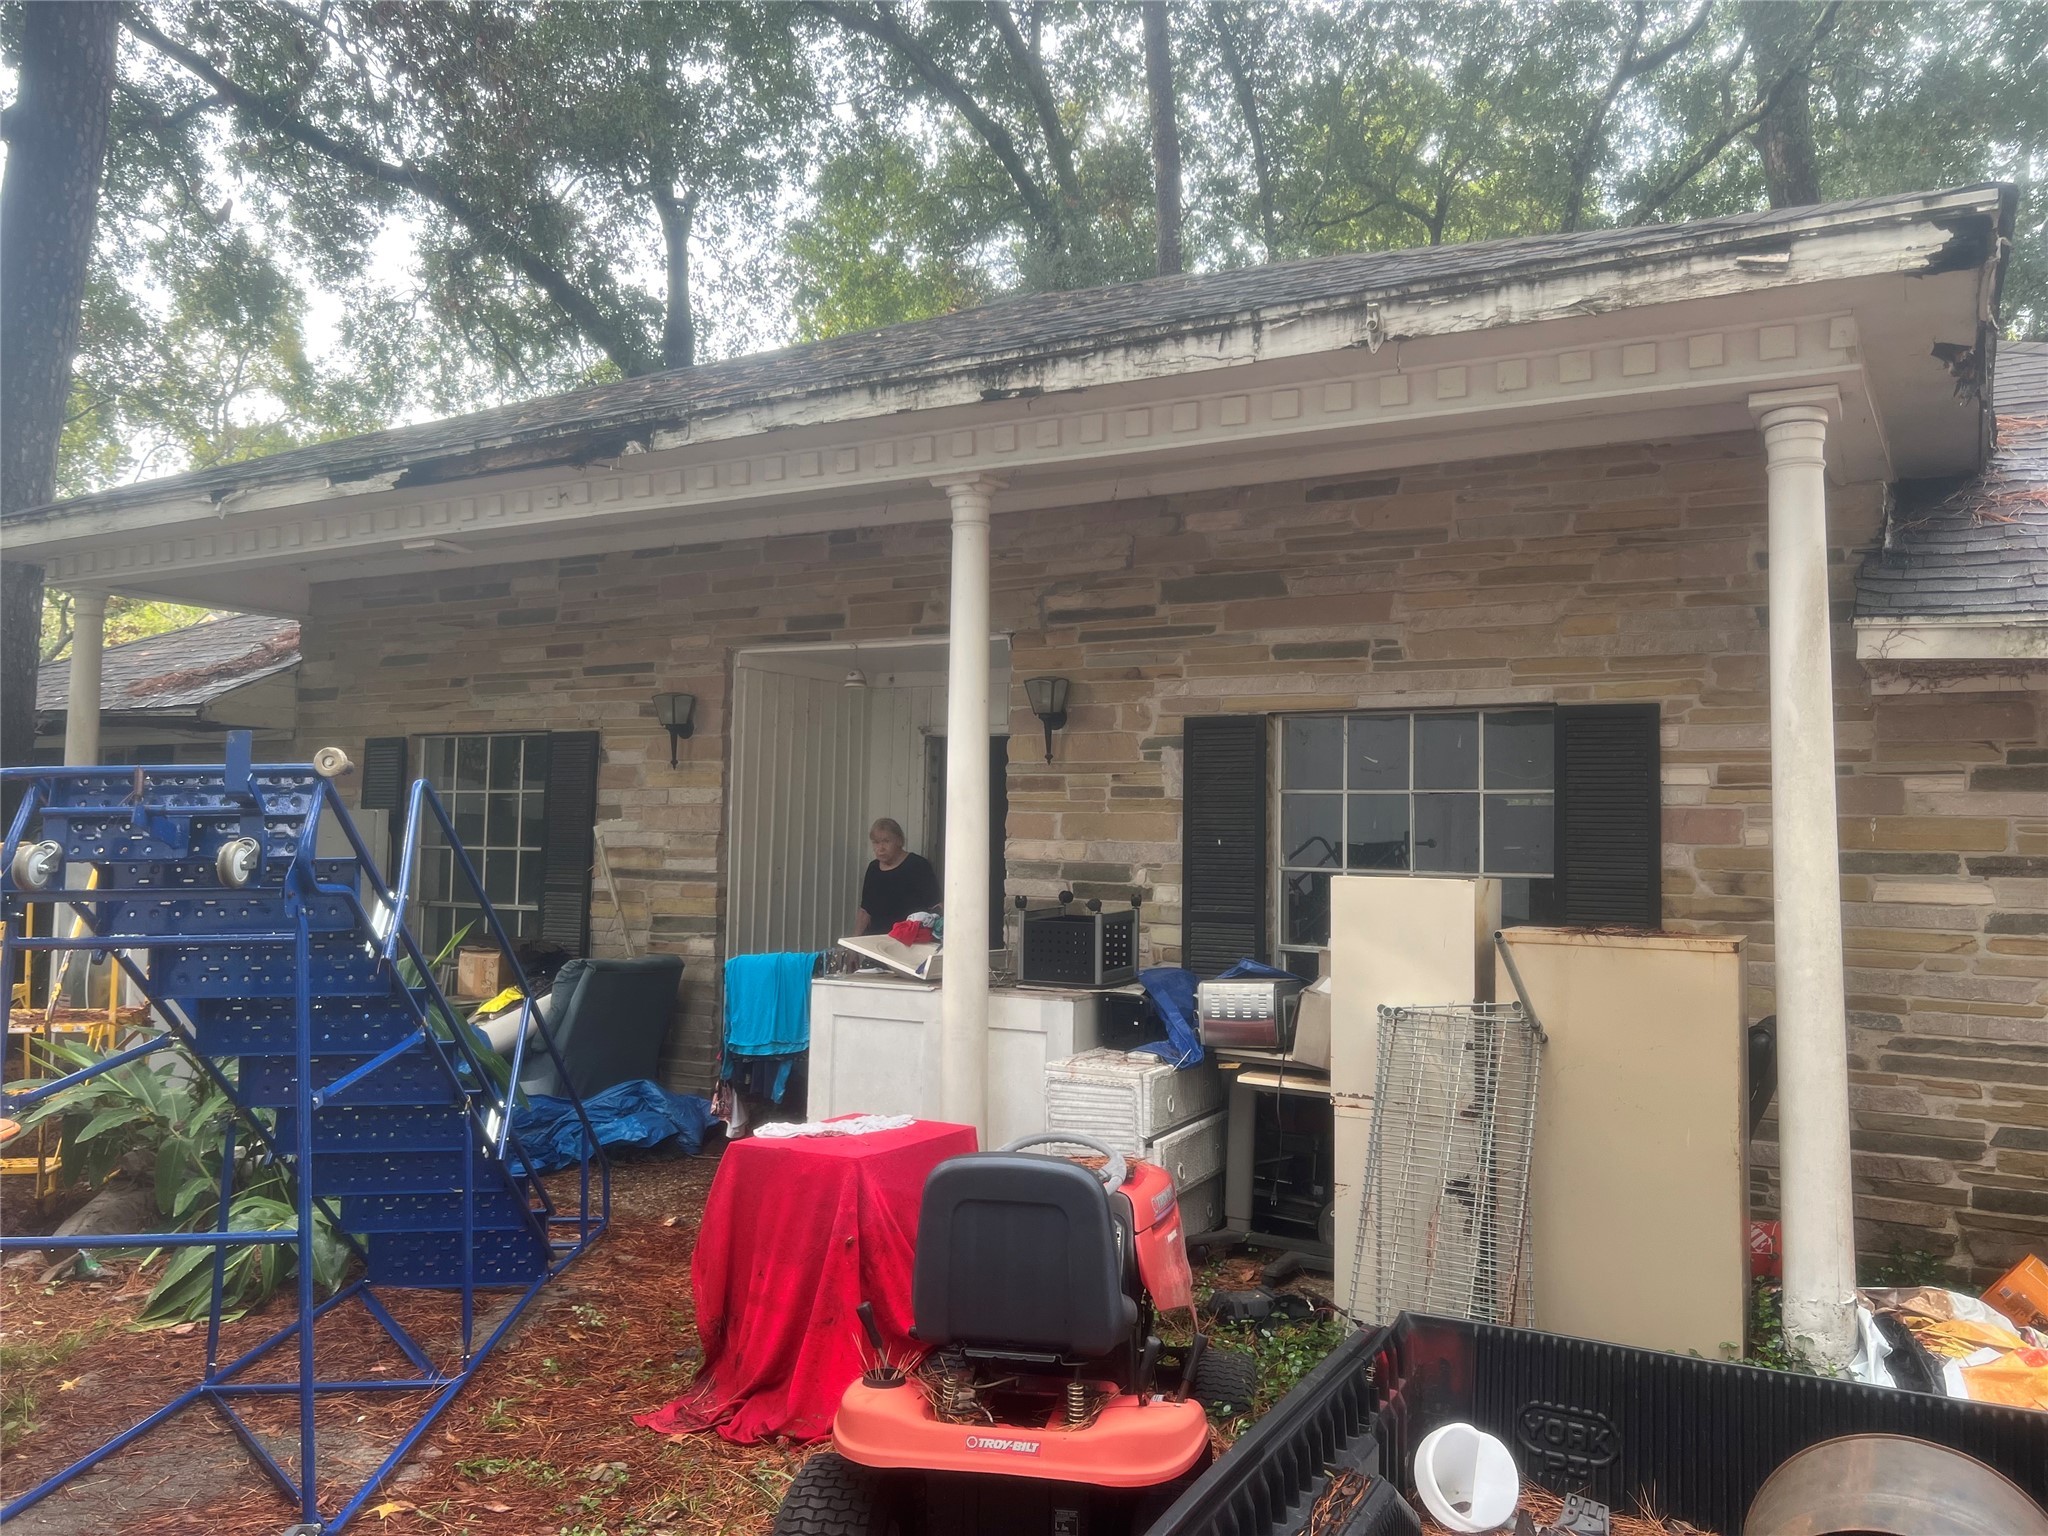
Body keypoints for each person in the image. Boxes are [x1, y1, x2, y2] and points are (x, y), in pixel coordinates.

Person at [854, 817, 940, 936]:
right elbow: (865, 911)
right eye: (876, 842)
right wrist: (853, 946)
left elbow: (937, 906)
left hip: (910, 942)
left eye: (886, 841)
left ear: (899, 841)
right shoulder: (873, 868)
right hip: (875, 941)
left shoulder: (918, 865)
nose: (881, 848)